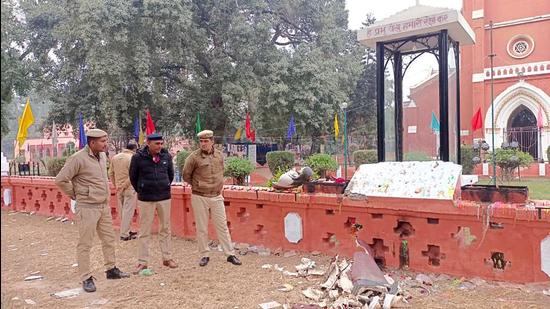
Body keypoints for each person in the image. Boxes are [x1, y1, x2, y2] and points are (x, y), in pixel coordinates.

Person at [55, 128, 129, 293]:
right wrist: (75, 194)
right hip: (87, 207)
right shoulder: (77, 159)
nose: (105, 144)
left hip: (103, 206)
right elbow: (60, 179)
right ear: (92, 142)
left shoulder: (102, 156)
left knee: (109, 240)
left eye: (106, 140)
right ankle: (86, 277)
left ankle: (111, 269)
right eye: (102, 141)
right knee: (85, 244)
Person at [183, 130, 242, 267]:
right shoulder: (193, 157)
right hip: (200, 196)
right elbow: (186, 175)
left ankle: (230, 254)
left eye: (206, 141)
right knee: (202, 227)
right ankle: (204, 254)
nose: (203, 144)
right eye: (201, 141)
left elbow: (221, 171)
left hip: (216, 195)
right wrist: (198, 185)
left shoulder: (219, 156)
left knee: (222, 226)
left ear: (212, 141)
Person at [129, 133, 177, 271]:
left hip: (164, 197)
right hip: (146, 199)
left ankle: (167, 258)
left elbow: (170, 175)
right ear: (148, 143)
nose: (160, 146)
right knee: (144, 231)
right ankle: (142, 261)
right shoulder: (138, 158)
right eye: (157, 144)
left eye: (161, 143)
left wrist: (165, 185)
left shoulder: (166, 156)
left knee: (165, 229)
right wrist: (142, 188)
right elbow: (133, 177)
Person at [109, 142, 138, 241]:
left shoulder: (115, 157)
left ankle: (126, 230)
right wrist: (124, 186)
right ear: (134, 149)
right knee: (128, 211)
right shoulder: (132, 158)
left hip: (119, 187)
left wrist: (116, 185)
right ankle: (124, 234)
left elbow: (111, 173)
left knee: (122, 211)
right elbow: (132, 175)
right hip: (129, 187)